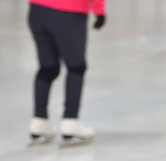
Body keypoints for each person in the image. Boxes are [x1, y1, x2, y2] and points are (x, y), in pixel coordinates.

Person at [27, 0, 106, 141]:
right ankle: (70, 120)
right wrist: (99, 11)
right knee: (76, 67)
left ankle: (39, 119)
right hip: (69, 12)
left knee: (47, 68)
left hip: (38, 10)